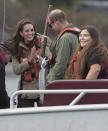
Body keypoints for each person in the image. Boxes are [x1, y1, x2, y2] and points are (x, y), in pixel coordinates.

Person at [5, 19, 42, 108]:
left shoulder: (42, 45)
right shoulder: (16, 49)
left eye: (32, 30)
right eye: (27, 31)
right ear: (21, 33)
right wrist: (29, 61)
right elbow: (16, 70)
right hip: (25, 92)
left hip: (42, 91)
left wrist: (36, 57)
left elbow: (47, 64)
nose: (30, 33)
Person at [44, 9, 80, 84]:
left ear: (56, 23)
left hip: (67, 82)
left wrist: (49, 81)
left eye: (50, 25)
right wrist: (51, 45)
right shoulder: (76, 33)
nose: (52, 28)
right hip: (75, 80)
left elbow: (60, 66)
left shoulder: (65, 38)